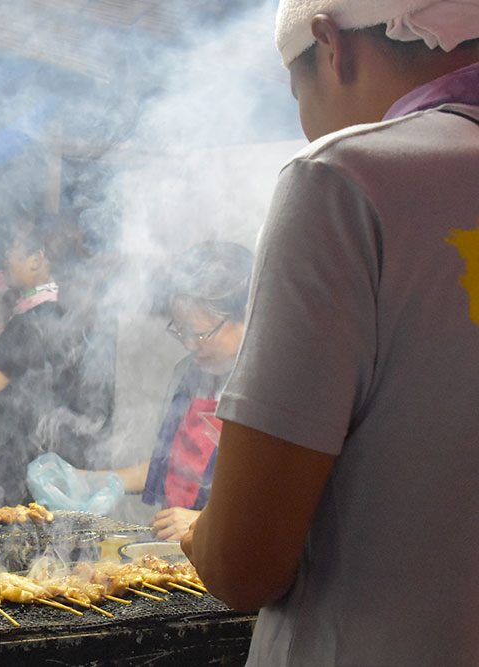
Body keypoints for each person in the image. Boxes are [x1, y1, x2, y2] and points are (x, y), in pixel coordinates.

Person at [182, 2, 479, 665]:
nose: (303, 119)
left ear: (330, 44)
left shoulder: (343, 180)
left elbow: (242, 565)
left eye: (296, 89)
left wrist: (200, 535)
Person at [0, 211, 105, 504]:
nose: (7, 253)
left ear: (37, 260)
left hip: (33, 483)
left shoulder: (34, 322)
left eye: (15, 246)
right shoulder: (74, 316)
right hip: (68, 478)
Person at [106, 241, 251, 541]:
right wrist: (100, 481)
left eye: (200, 334)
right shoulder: (188, 375)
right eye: (181, 331)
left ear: (245, 317)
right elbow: (173, 463)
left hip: (230, 560)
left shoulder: (269, 390)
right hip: (177, 556)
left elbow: (283, 505)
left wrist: (205, 522)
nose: (189, 345)